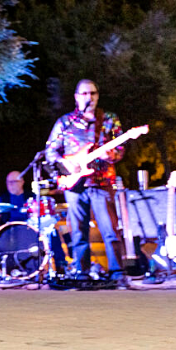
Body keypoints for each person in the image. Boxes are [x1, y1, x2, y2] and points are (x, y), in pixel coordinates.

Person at [44, 79, 125, 283]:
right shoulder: (65, 122)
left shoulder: (109, 119)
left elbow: (121, 148)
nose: (89, 97)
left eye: (93, 93)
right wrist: (66, 164)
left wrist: (111, 155)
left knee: (110, 230)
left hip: (102, 182)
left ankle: (117, 272)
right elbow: (50, 151)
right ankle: (82, 272)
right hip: (75, 184)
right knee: (79, 232)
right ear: (77, 97)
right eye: (85, 93)